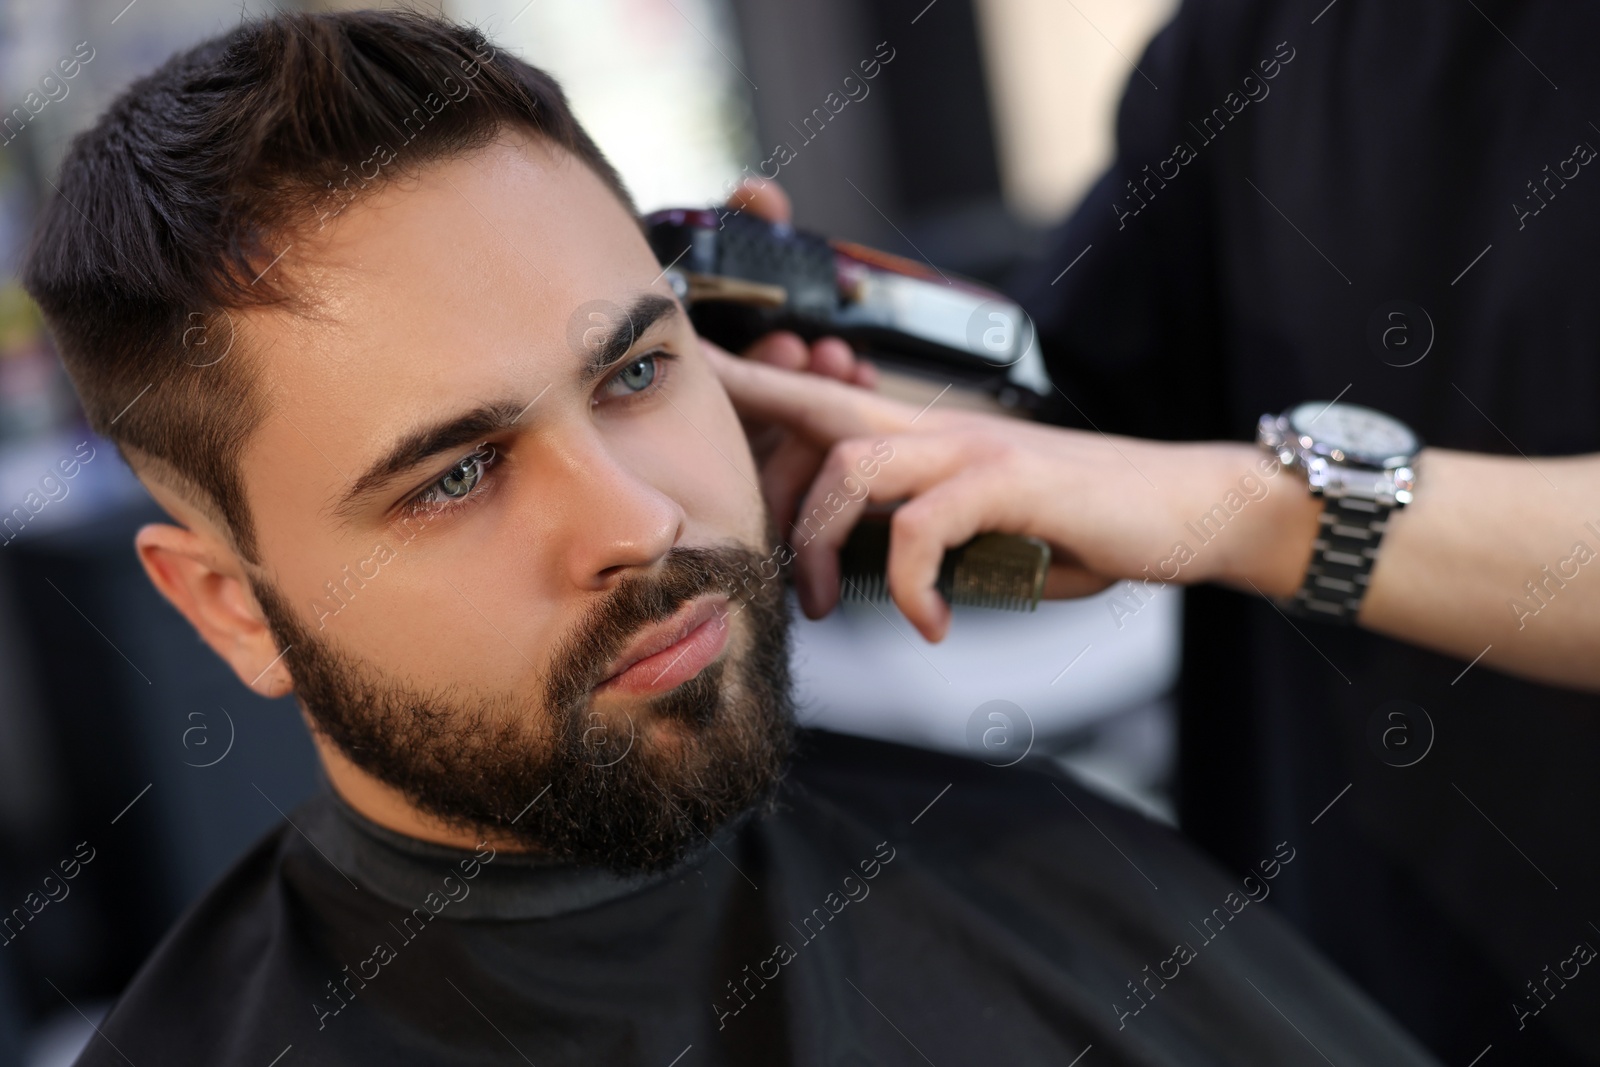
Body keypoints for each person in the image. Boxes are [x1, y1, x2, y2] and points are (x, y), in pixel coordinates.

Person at [22, 10, 1445, 1066]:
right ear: (231, 608)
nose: (639, 520)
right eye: (455, 474)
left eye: (637, 373)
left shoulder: (1052, 869)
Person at [714, 1, 1600, 1062]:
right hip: (1322, 979)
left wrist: (1258, 509)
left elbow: (1165, 491)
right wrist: (811, 424)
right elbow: (1079, 441)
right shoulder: (1254, 40)